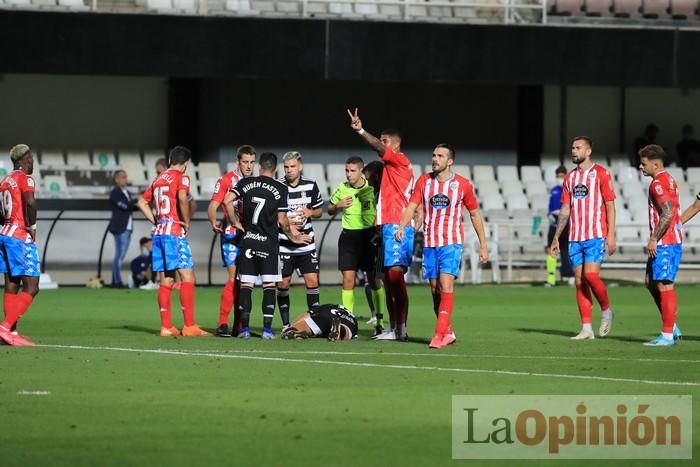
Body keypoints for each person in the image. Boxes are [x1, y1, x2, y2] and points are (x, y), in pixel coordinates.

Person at [396, 144, 488, 349]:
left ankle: (438, 335)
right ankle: (448, 332)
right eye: (434, 155)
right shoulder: (424, 181)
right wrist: (402, 226)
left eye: (440, 156)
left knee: (446, 285)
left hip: (451, 243)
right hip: (430, 243)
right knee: (435, 290)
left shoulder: (462, 185)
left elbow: (474, 214)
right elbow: (412, 206)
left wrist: (483, 244)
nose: (435, 159)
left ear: (450, 161)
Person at [223, 152, 310, 339]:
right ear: (276, 168)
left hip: (249, 241)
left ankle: (244, 329)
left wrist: (234, 221)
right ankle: (267, 330)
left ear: (259, 167)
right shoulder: (280, 187)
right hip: (269, 245)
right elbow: (282, 220)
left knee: (246, 285)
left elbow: (226, 200)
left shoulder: (246, 183)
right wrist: (293, 237)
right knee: (269, 285)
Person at [347, 108, 414, 341]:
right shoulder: (386, 170)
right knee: (387, 278)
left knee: (396, 277)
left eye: (385, 142)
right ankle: (394, 328)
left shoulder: (401, 161)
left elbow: (377, 148)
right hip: (385, 227)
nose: (381, 146)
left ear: (395, 145)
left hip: (398, 225)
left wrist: (361, 131)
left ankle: (401, 329)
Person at [137, 146, 210, 337]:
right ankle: (190, 326)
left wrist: (155, 220)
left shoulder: (158, 178)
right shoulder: (181, 176)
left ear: (170, 159)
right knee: (188, 276)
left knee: (166, 279)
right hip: (174, 232)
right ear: (185, 164)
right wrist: (186, 221)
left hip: (159, 232)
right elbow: (183, 197)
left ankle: (166, 327)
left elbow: (141, 202)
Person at [550, 137, 616, 340]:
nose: (573, 151)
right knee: (579, 282)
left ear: (588, 151)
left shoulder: (601, 173)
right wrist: (556, 237)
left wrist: (611, 234)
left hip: (595, 235)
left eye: (578, 148)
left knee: (591, 276)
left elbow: (610, 205)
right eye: (572, 147)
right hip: (574, 237)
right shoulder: (569, 178)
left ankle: (606, 311)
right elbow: (565, 209)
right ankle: (586, 328)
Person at [328, 157, 385, 336]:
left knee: (374, 280)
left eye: (352, 171)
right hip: (348, 238)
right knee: (348, 280)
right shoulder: (342, 188)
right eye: (347, 170)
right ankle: (348, 322)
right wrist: (338, 205)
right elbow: (328, 208)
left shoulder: (372, 188)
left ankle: (380, 322)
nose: (349, 174)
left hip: (369, 237)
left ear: (361, 171)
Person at [208, 145, 256, 337]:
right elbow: (213, 205)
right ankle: (222, 323)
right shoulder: (226, 180)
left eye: (252, 162)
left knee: (244, 281)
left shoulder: (256, 182)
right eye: (245, 162)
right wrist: (213, 220)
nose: (249, 166)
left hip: (250, 236)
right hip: (231, 234)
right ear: (238, 161)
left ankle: (238, 325)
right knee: (233, 277)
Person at [639, 145, 684, 346]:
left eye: (643, 163)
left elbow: (667, 213)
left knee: (664, 285)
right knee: (650, 281)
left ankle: (667, 335)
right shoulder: (669, 179)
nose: (641, 167)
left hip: (666, 241)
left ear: (655, 164)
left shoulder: (657, 184)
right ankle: (671, 326)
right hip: (667, 240)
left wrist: (654, 238)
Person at [276, 151, 324, 331]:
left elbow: (319, 211)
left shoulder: (311, 185)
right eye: (286, 167)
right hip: (284, 245)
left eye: (292, 166)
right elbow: (272, 214)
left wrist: (310, 212)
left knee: (312, 281)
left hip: (306, 244)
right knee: (283, 284)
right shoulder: (278, 186)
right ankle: (286, 324)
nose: (289, 170)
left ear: (300, 166)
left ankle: (315, 323)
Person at [0, 144, 40, 346]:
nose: (32, 163)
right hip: (18, 234)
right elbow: (30, 202)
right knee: (32, 285)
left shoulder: (5, 181)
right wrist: (32, 226)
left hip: (4, 233)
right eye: (31, 159)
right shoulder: (25, 178)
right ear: (25, 160)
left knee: (12, 281)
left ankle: (12, 333)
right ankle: (5, 327)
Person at [545, 166, 573, 286]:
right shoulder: (553, 191)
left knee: (567, 251)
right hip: (553, 225)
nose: (559, 178)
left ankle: (570, 276)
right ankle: (551, 278)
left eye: (561, 176)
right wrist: (551, 215)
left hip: (566, 226)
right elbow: (550, 208)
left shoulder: (570, 191)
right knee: (551, 251)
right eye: (558, 176)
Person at [108, 170, 135, 288]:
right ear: (116, 179)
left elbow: (129, 206)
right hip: (120, 227)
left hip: (128, 227)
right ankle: (117, 281)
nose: (125, 179)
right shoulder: (115, 192)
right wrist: (135, 202)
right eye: (122, 177)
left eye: (126, 177)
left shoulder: (127, 192)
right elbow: (124, 206)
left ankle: (115, 280)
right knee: (119, 255)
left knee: (120, 255)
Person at [280, 304, 358, 341]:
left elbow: (307, 315)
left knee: (311, 324)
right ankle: (340, 330)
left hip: (324, 316)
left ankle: (297, 331)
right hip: (350, 322)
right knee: (347, 332)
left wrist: (291, 325)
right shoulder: (350, 314)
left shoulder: (325, 306)